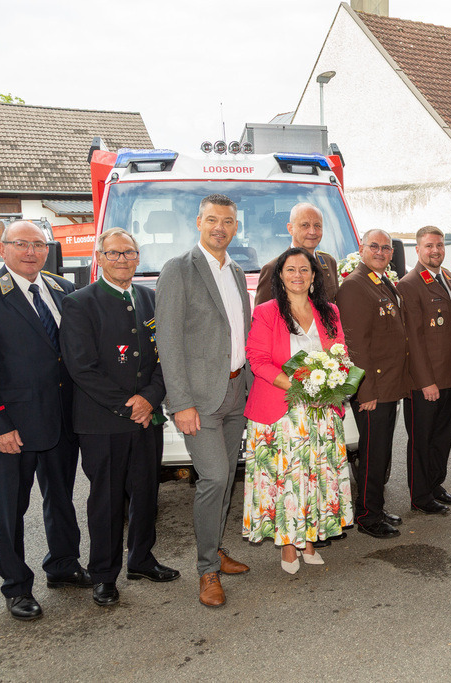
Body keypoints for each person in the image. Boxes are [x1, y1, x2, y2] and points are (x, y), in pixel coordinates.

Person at [0, 220, 89, 621]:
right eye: (21, 244)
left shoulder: (62, 289)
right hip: (14, 425)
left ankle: (63, 564)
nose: (31, 252)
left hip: (62, 419)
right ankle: (16, 586)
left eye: (39, 245)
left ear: (48, 250)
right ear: (2, 248)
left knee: (61, 497)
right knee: (10, 507)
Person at [60, 228, 180, 606]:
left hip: (147, 418)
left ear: (138, 257)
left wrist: (151, 398)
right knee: (107, 501)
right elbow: (82, 367)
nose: (122, 259)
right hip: (103, 423)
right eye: (113, 253)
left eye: (128, 252)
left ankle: (141, 559)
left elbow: (166, 357)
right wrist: (132, 405)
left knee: (146, 494)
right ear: (99, 258)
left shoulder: (149, 298)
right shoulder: (79, 303)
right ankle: (104, 574)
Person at [156, 194, 253, 607]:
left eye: (227, 221)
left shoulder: (236, 271)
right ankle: (206, 569)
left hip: (236, 392)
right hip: (199, 399)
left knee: (227, 478)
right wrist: (180, 403)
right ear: (198, 222)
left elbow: (240, 334)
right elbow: (168, 341)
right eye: (212, 219)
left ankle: (215, 549)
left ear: (236, 227)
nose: (220, 228)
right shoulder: (178, 269)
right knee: (213, 479)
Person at [243, 248, 354, 573]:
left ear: (314, 276)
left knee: (314, 477)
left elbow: (340, 354)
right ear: (280, 276)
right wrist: (297, 387)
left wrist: (331, 386)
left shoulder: (329, 311)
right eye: (290, 269)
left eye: (304, 269)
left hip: (321, 413)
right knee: (287, 481)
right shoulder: (266, 312)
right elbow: (257, 359)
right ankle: (289, 545)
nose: (297, 275)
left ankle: (309, 540)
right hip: (281, 414)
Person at [336, 229, 410, 538]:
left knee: (381, 452)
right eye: (374, 246)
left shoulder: (379, 280)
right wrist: (364, 391)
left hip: (387, 386)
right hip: (372, 390)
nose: (380, 252)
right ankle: (367, 516)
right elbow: (355, 346)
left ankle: (375, 506)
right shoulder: (354, 286)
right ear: (362, 249)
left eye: (386, 248)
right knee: (371, 455)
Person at [397, 226, 451, 515]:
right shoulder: (409, 284)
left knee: (442, 438)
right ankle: (420, 496)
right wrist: (426, 381)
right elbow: (412, 338)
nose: (435, 250)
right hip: (425, 381)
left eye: (439, 245)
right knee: (422, 441)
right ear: (417, 250)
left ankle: (435, 485)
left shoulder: (449, 278)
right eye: (428, 246)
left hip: (449, 375)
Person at [254, 203, 339, 305]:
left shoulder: (328, 262)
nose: (312, 231)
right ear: (290, 229)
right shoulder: (273, 269)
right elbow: (262, 313)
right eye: (305, 225)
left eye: (317, 226)